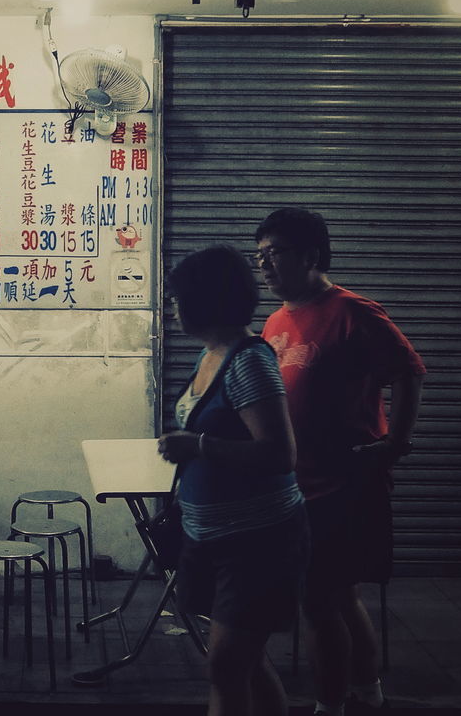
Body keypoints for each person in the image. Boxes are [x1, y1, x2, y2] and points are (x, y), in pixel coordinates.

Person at [254, 208, 426, 716]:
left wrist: (396, 442)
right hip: (294, 484)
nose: (263, 265)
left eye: (274, 254)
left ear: (310, 255)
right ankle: (367, 689)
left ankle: (330, 705)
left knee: (320, 602)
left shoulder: (353, 312)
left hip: (341, 485)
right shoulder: (276, 319)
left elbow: (410, 372)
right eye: (258, 255)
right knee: (339, 597)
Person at [157, 245, 308, 716]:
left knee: (226, 667)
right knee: (244, 661)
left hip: (256, 542)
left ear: (205, 301)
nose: (173, 308)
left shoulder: (247, 361)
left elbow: (280, 455)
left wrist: (196, 445)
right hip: (211, 538)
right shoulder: (212, 355)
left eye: (179, 299)